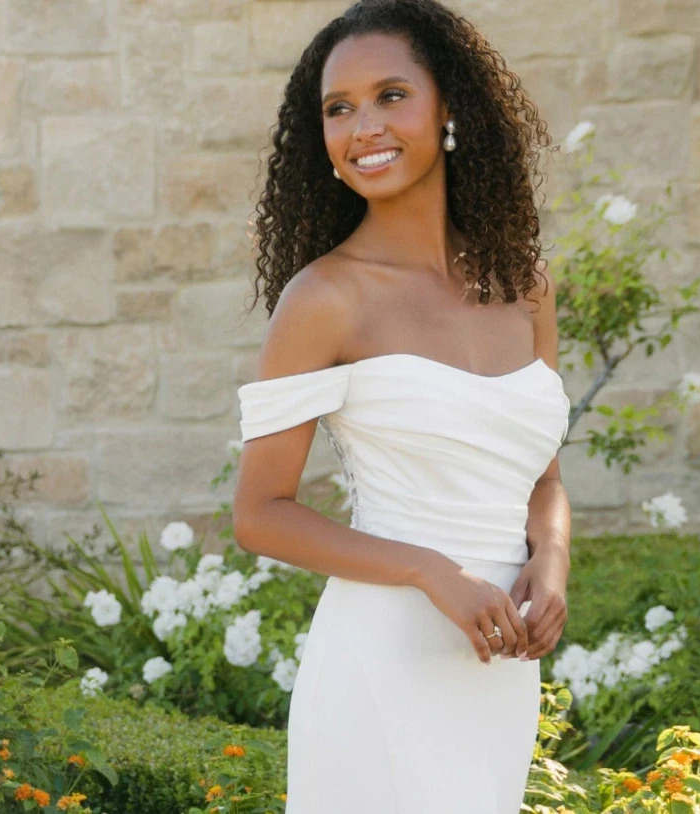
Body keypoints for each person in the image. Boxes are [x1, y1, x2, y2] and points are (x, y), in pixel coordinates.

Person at [228, 1, 570, 810]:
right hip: (381, 660)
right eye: (337, 109)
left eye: (390, 95)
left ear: (449, 106)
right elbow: (260, 513)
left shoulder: (524, 285)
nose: (362, 127)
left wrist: (551, 559)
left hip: (498, 670)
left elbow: (544, 480)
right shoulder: (324, 299)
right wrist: (428, 573)